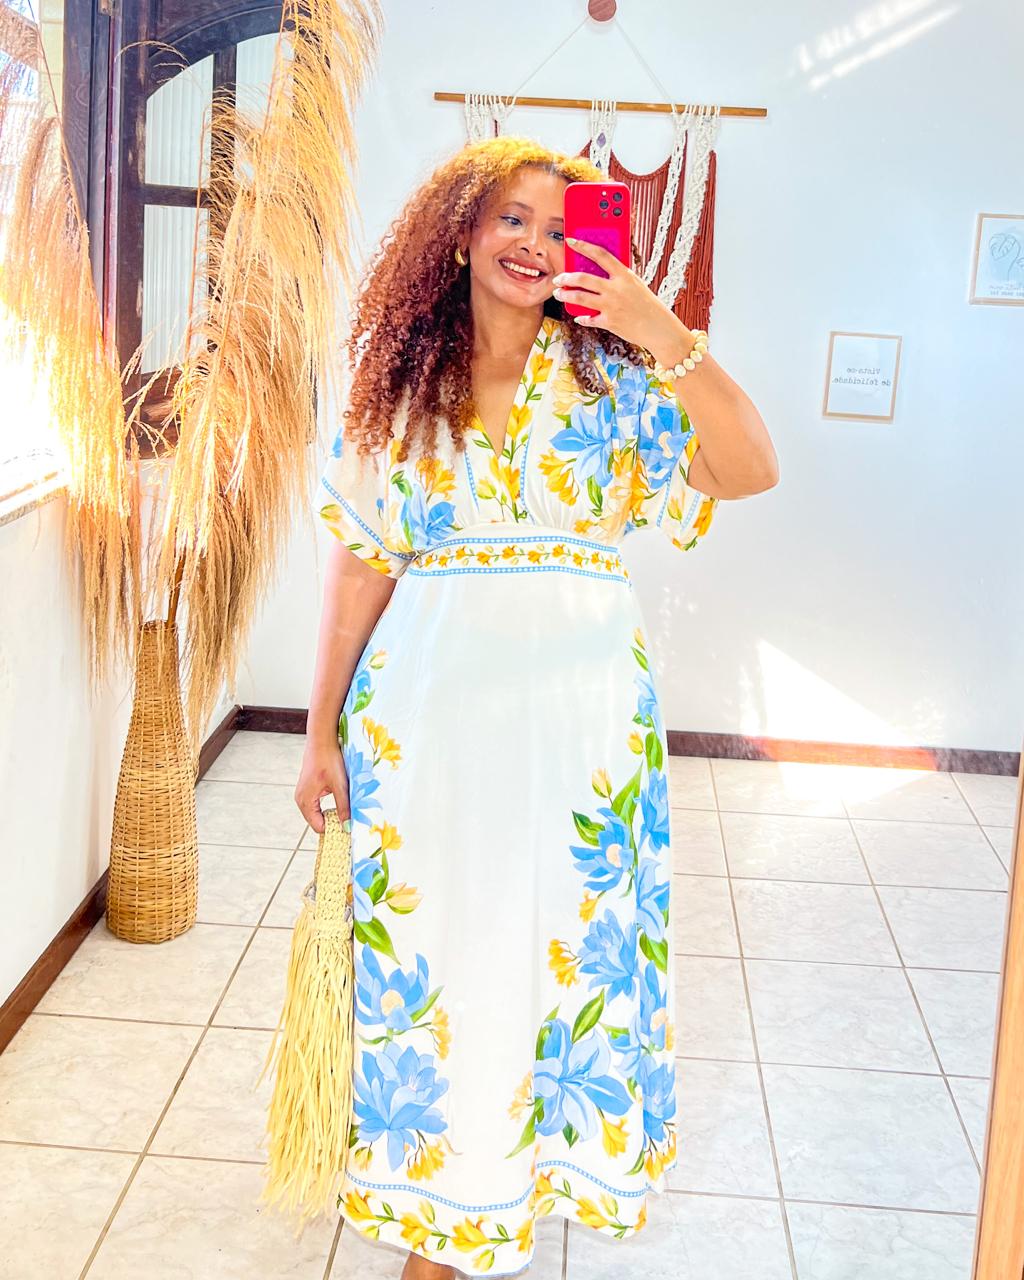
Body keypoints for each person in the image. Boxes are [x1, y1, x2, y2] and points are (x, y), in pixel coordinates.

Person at [295, 135, 778, 1279]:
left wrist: (658, 328)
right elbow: (359, 567)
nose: (535, 243)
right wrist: (317, 730)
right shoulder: (399, 382)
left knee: (560, 950)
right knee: (444, 950)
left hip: (581, 731)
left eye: (562, 229)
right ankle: (446, 1215)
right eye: (511, 217)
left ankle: (525, 1176)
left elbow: (750, 465)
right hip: (427, 722)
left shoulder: (619, 380)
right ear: (462, 232)